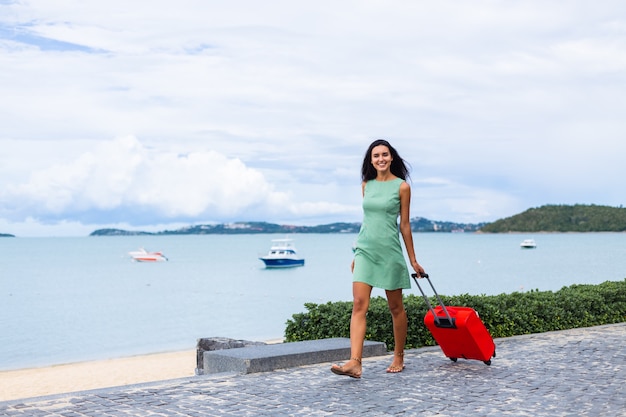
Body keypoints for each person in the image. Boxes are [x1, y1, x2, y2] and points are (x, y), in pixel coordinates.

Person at [331, 139, 425, 378]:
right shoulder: (366, 185)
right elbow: (367, 222)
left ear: (391, 157)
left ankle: (399, 355)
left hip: (390, 253)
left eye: (384, 154)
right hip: (365, 252)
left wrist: (413, 259)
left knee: (395, 307)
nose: (380, 159)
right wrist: (357, 253)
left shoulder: (402, 187)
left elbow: (404, 225)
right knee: (359, 305)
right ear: (371, 160)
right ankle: (355, 362)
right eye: (376, 156)